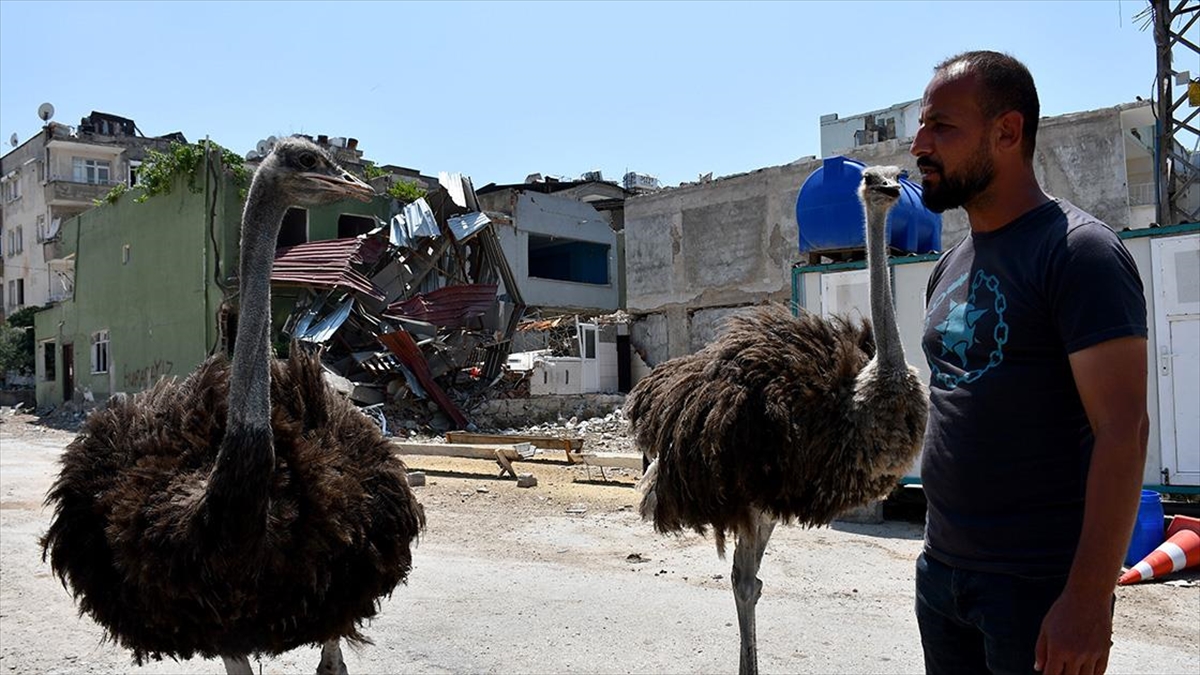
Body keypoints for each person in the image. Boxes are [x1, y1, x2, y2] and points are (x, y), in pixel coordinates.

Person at [909, 50, 1149, 675]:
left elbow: (1123, 432)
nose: (919, 145)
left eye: (941, 127)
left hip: (1036, 588)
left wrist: (1088, 599)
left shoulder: (1079, 253)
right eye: (921, 126)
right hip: (943, 576)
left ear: (1008, 132)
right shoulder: (949, 264)